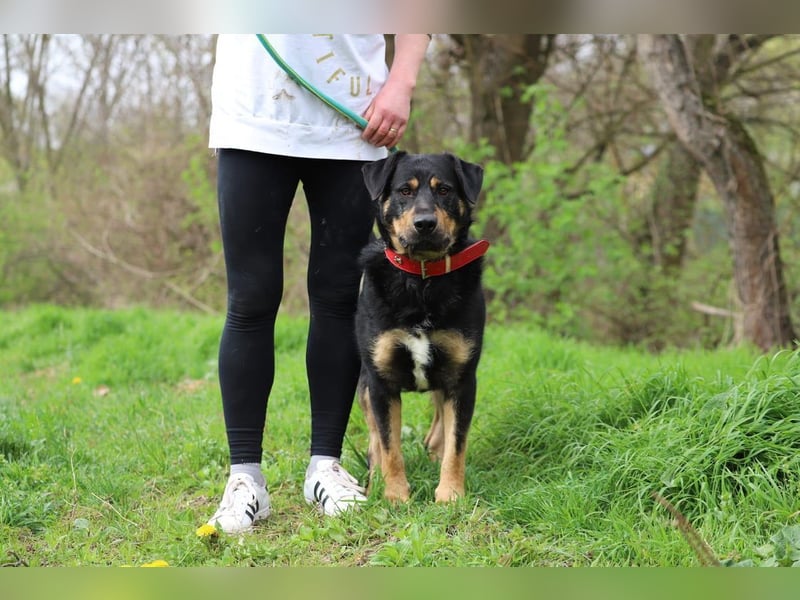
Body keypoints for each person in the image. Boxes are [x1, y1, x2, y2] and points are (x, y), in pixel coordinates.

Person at [205, 34, 430, 533]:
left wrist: (402, 81)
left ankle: (324, 467)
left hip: (355, 119)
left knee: (337, 297)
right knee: (251, 298)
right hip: (253, 116)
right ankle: (245, 481)